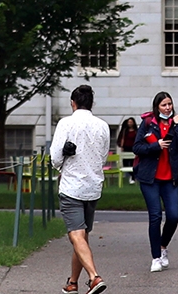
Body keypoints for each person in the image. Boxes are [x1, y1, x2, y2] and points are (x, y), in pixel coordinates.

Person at [49, 85, 113, 294]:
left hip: (72, 187)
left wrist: (65, 155)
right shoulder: (103, 126)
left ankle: (94, 277)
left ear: (73, 103)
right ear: (91, 104)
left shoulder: (66, 123)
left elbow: (55, 159)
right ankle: (72, 283)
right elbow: (103, 156)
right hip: (93, 186)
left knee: (76, 235)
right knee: (82, 237)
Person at [131, 91, 178, 272]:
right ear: (157, 107)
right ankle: (155, 257)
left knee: (173, 216)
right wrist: (156, 146)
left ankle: (163, 246)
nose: (167, 108)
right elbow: (136, 147)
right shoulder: (148, 124)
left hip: (169, 179)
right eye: (164, 105)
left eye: (170, 104)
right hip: (150, 178)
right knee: (155, 216)